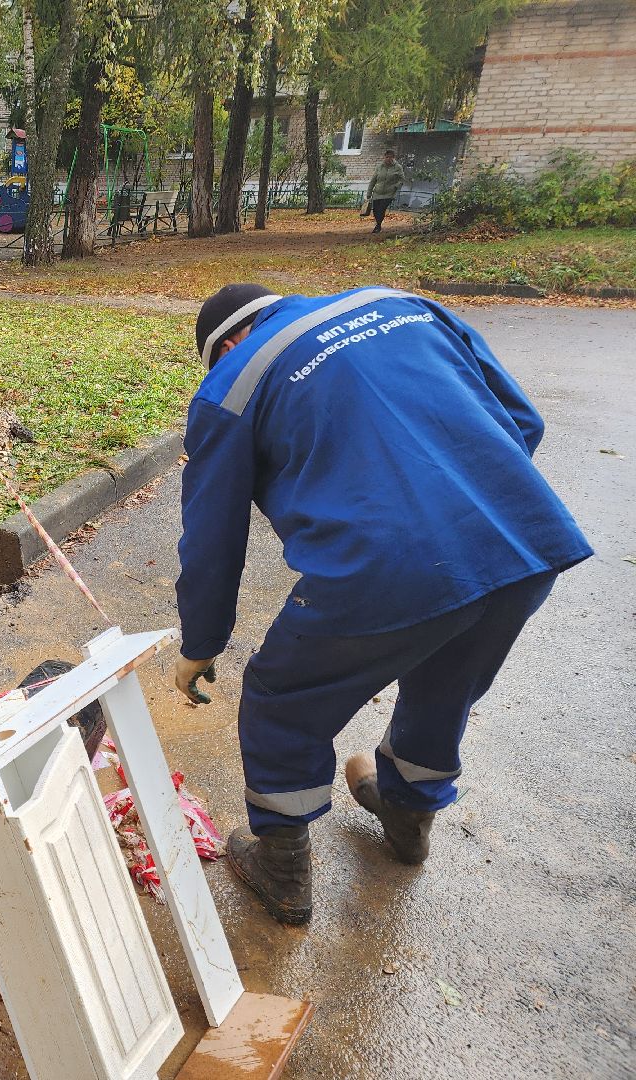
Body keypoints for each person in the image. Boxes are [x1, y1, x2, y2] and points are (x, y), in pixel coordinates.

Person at [173, 283, 591, 925]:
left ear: (226, 343)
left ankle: (282, 870)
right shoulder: (401, 304)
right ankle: (406, 814)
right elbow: (522, 421)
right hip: (522, 540)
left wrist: (201, 643)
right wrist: (462, 511)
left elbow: (212, 534)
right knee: (445, 679)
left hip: (382, 567)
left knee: (281, 701)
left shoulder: (232, 381)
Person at [364, 149, 405, 233]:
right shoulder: (379, 167)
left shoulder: (398, 167)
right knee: (375, 210)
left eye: (390, 157)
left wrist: (395, 186)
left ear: (393, 158)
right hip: (377, 193)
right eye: (387, 157)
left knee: (382, 209)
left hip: (389, 193)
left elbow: (402, 179)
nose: (388, 159)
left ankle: (378, 226)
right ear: (384, 157)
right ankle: (378, 224)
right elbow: (373, 180)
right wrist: (369, 193)